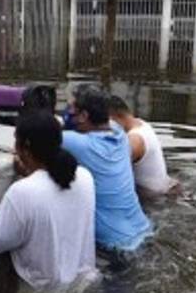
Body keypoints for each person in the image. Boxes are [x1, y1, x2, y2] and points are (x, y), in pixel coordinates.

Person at [0, 109, 98, 293]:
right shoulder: (84, 176)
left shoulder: (23, 192)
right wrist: (29, 171)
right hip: (87, 285)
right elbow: (52, 196)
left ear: (24, 150)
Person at [60, 85, 153, 252]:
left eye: (71, 107)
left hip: (115, 244)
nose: (68, 111)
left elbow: (40, 135)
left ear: (83, 116)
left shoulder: (78, 143)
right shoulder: (120, 135)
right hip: (144, 228)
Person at [108, 95, 177, 196]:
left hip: (153, 198)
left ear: (113, 118)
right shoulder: (141, 124)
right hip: (164, 188)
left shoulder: (134, 140)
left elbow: (108, 167)